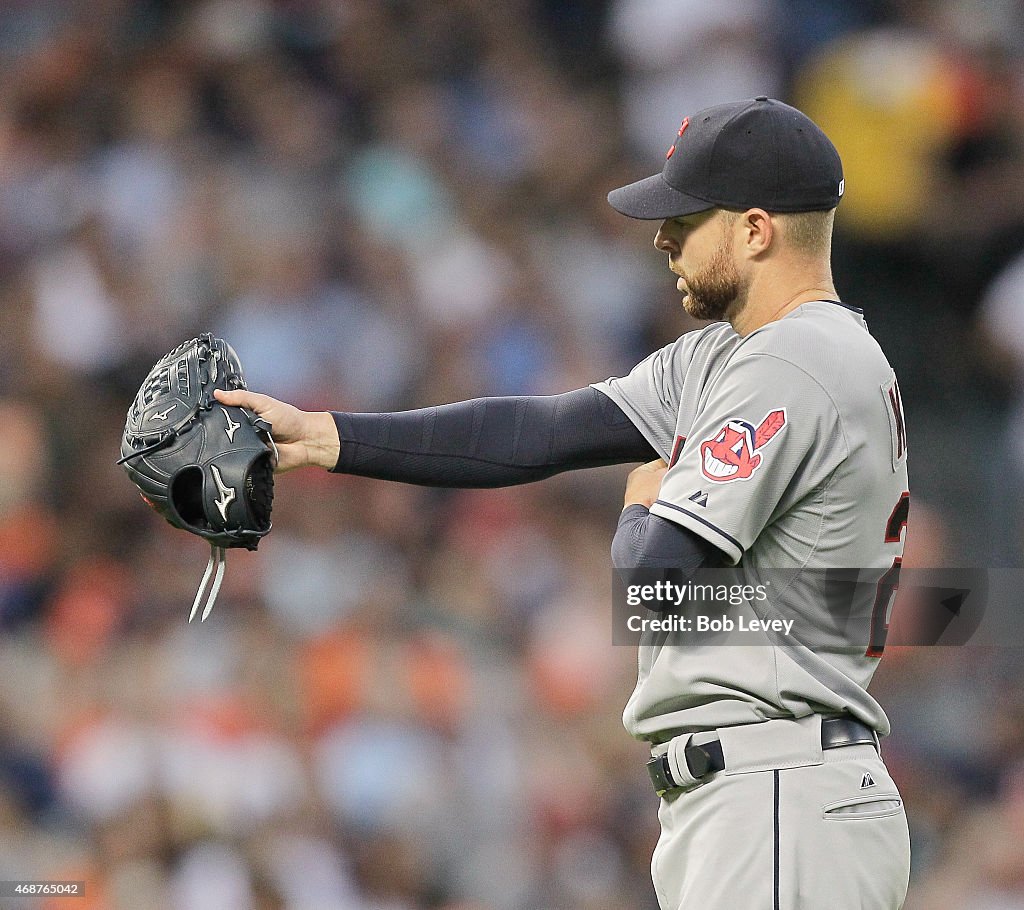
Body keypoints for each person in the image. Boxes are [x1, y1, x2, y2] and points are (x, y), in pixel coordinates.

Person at [216, 97, 912, 909]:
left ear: (756, 230)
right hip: (765, 791)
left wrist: (639, 505)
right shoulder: (741, 354)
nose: (662, 237)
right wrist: (330, 436)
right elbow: (540, 431)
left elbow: (652, 587)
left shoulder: (792, 361)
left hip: (779, 792)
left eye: (686, 219)